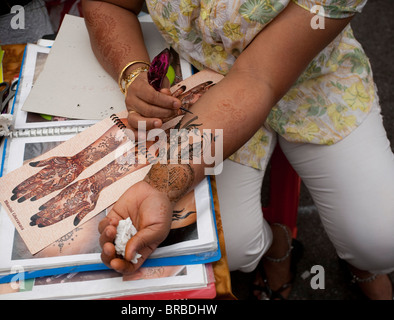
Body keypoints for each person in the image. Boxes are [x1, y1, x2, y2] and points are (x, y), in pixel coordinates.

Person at [82, 0, 394, 300]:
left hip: (315, 79)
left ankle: (363, 263)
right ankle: (277, 244)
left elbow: (258, 76)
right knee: (234, 247)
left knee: (381, 239)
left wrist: (161, 184)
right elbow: (109, 3)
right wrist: (133, 73)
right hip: (204, 86)